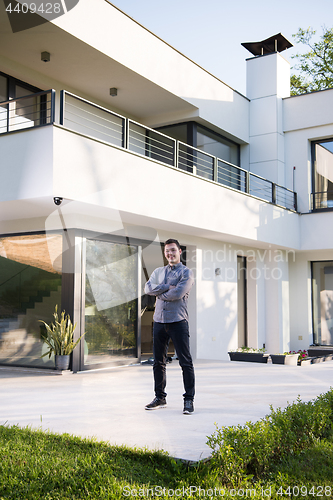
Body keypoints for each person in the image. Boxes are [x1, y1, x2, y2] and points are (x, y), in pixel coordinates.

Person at [144, 238, 195, 414]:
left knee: (185, 362)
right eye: (167, 251)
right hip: (159, 321)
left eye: (173, 250)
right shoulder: (159, 271)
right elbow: (148, 289)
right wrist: (166, 286)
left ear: (180, 251)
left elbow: (178, 293)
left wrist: (160, 293)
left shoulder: (186, 273)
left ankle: (188, 400)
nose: (170, 253)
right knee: (158, 362)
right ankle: (160, 397)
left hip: (178, 321)